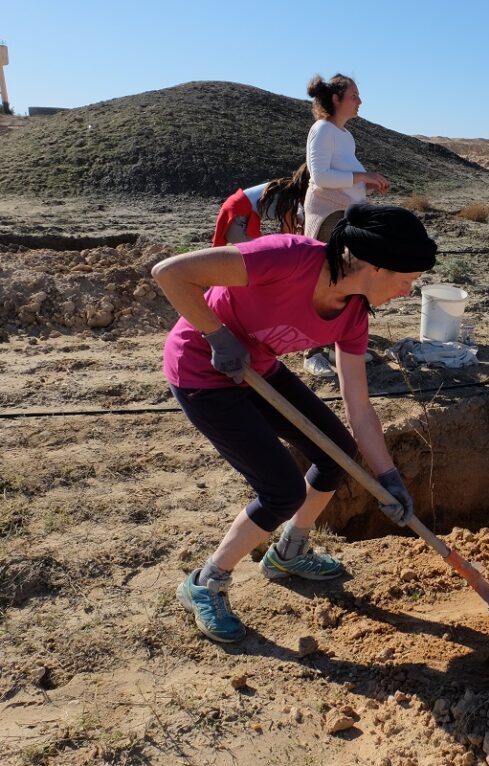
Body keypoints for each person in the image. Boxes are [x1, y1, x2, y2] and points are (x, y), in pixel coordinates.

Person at [153, 203, 436, 643]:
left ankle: (289, 550)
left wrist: (388, 477)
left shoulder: (353, 315)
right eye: (407, 280)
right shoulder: (287, 258)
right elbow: (170, 273)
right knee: (280, 490)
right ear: (377, 266)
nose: (406, 292)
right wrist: (217, 334)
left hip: (258, 370)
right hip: (201, 370)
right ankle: (206, 582)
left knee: (335, 452)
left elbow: (359, 408)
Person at [302, 73, 391, 378]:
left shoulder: (345, 135)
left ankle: (337, 344)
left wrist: (369, 183)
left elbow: (348, 178)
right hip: (328, 215)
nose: (360, 101)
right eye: (354, 95)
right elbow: (321, 176)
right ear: (336, 99)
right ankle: (312, 351)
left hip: (348, 214)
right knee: (325, 280)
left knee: (348, 280)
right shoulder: (322, 129)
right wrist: (363, 178)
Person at [211, 164, 310, 246]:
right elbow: (288, 232)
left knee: (255, 253)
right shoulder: (290, 198)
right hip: (238, 214)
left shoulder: (287, 188)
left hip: (236, 208)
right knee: (256, 253)